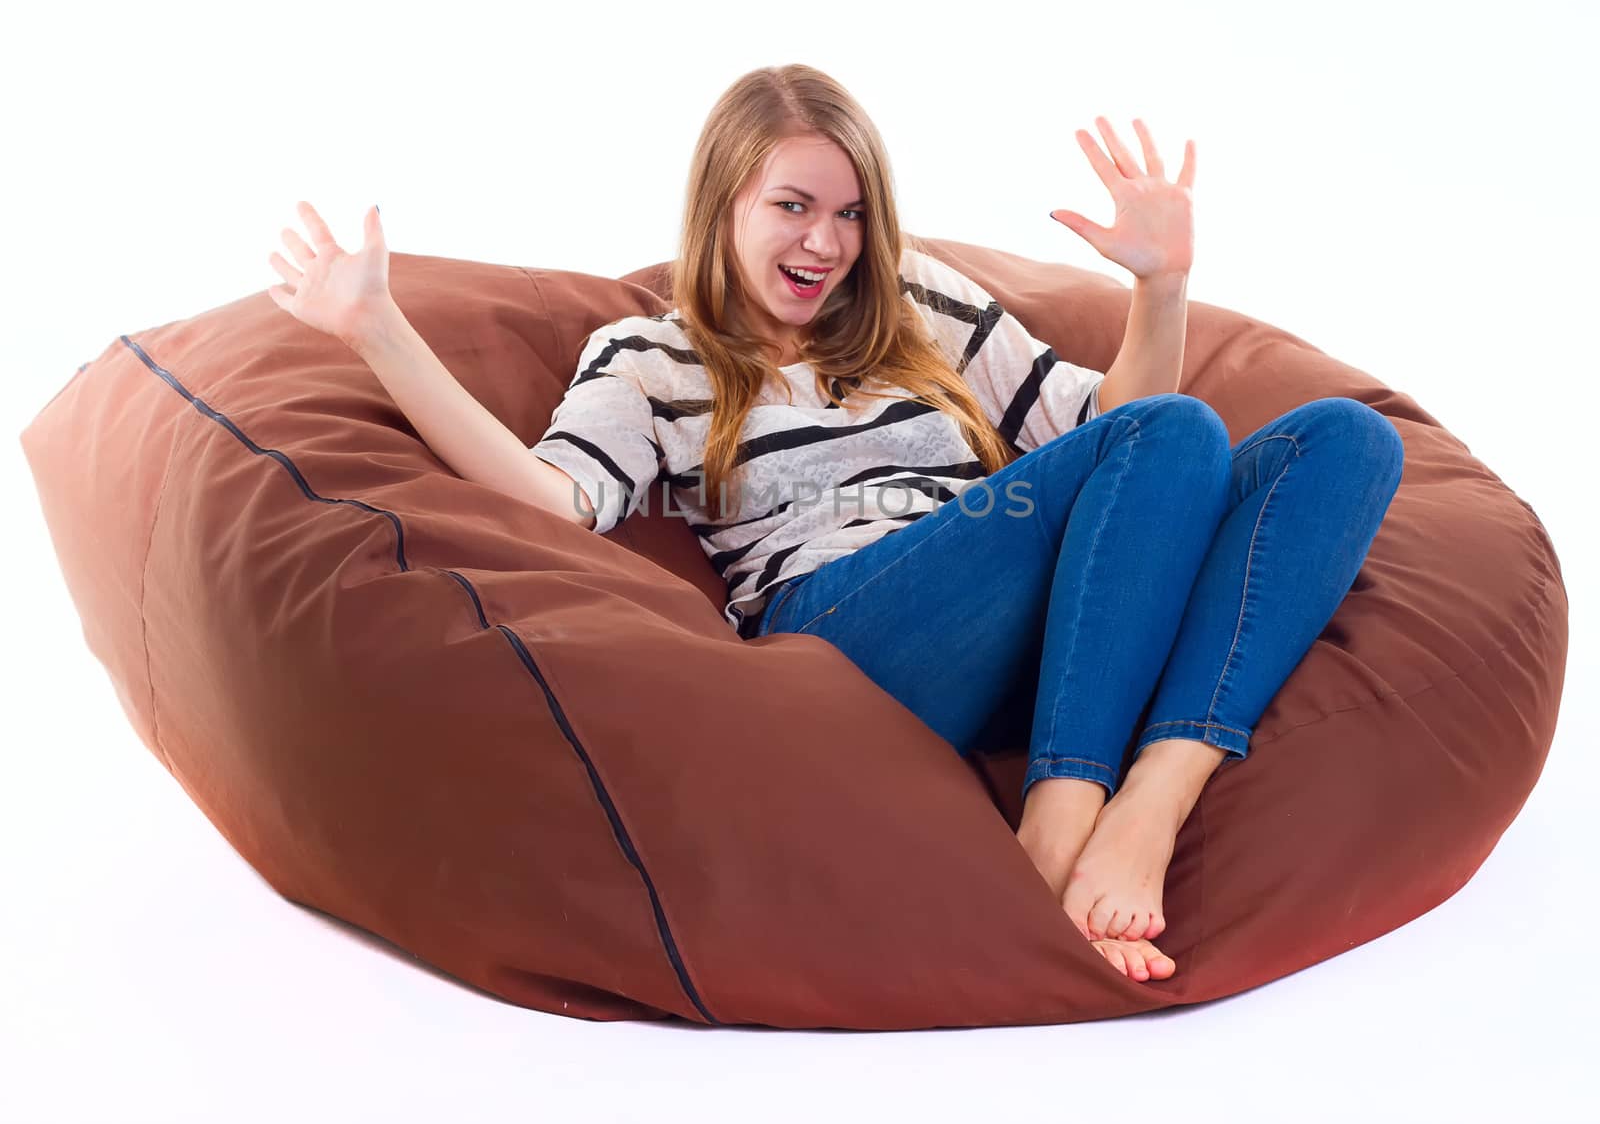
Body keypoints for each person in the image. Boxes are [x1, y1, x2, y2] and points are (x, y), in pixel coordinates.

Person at [265, 64, 1405, 986]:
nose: (827, 242)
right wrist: (377, 329)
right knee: (1174, 433)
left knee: (1346, 443)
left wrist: (1163, 287)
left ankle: (1150, 799)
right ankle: (1057, 827)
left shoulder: (913, 300)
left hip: (1060, 632)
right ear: (723, 205)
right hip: (860, 634)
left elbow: (1107, 420)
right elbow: (552, 500)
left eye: (851, 213)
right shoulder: (652, 359)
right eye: (794, 206)